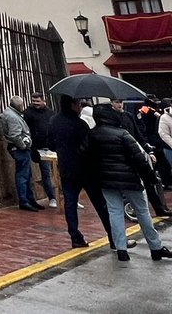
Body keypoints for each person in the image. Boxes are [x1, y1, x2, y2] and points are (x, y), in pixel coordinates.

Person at [87, 104, 172, 262]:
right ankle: (155, 247)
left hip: (105, 180)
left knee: (115, 212)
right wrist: (150, 177)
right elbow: (139, 158)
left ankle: (121, 249)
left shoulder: (91, 135)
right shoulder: (122, 134)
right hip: (129, 179)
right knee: (142, 211)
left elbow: (85, 156)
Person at [50, 95, 115, 249]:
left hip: (66, 169)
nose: (80, 106)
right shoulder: (79, 124)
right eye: (78, 103)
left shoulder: (53, 121)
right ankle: (113, 236)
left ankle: (75, 236)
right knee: (100, 204)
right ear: (72, 104)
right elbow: (89, 147)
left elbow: (50, 143)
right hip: (85, 169)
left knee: (70, 203)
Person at [111, 98, 171, 217]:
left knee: (149, 180)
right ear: (112, 103)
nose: (120, 104)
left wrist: (148, 150)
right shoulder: (111, 118)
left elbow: (138, 133)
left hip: (136, 152)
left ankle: (159, 208)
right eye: (117, 102)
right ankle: (131, 208)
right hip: (123, 156)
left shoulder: (128, 115)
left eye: (121, 102)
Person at [2, 95, 42, 211]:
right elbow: (15, 135)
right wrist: (23, 145)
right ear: (19, 105)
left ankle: (29, 199)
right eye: (22, 105)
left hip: (20, 148)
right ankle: (24, 201)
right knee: (23, 175)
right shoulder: (12, 117)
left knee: (27, 174)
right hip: (20, 149)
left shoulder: (12, 114)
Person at [24, 93, 58, 207]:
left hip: (53, 146)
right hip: (39, 148)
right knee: (46, 173)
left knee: (60, 172)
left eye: (37, 101)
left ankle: (64, 196)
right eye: (33, 101)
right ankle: (52, 197)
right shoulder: (28, 113)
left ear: (44, 101)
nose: (35, 103)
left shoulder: (51, 113)